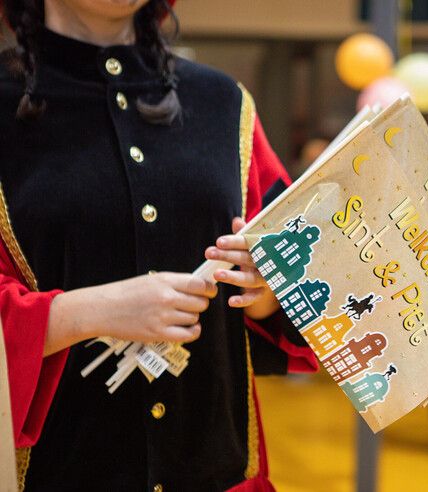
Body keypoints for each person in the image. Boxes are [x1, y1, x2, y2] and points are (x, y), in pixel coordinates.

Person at [0, 1, 317, 490]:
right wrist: (81, 313)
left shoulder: (224, 103)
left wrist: (265, 290)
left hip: (215, 466)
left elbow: (304, 266)